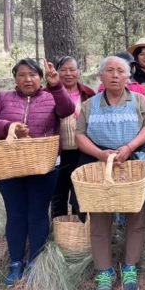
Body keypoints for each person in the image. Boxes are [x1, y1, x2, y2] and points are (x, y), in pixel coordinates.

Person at [75, 56, 145, 290]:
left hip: (133, 164)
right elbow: (79, 135)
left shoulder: (138, 100)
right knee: (100, 221)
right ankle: (104, 271)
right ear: (101, 76)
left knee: (136, 218)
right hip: (100, 167)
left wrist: (130, 147)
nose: (114, 75)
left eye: (120, 71)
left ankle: (130, 267)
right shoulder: (90, 105)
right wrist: (100, 153)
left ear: (127, 76)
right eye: (109, 70)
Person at [0, 58, 75, 287]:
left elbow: (68, 110)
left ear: (40, 77)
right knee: (15, 214)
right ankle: (16, 262)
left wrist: (56, 85)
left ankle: (35, 261)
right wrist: (7, 127)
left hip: (43, 166)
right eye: (22, 75)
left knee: (37, 213)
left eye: (33, 74)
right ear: (15, 78)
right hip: (9, 166)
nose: (28, 79)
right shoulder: (2, 98)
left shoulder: (50, 95)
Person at [51, 56, 95, 219]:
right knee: (58, 193)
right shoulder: (49, 93)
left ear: (79, 72)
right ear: (56, 73)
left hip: (83, 151)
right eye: (63, 70)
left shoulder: (88, 93)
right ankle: (59, 229)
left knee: (80, 192)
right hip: (58, 153)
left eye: (72, 69)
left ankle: (80, 229)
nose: (68, 73)